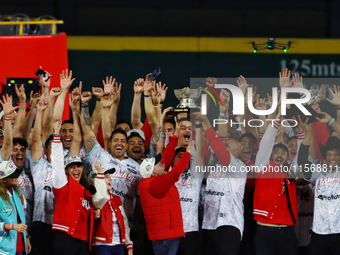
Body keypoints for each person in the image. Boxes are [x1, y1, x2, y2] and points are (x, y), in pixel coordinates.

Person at [51, 121, 96, 255]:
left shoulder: (86, 191)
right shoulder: (62, 183)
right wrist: (56, 136)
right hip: (65, 236)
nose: (76, 169)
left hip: (82, 238)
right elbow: (57, 161)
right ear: (66, 171)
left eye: (78, 166)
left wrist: (95, 213)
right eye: (72, 166)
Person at [138, 144, 190, 255]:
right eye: (158, 164)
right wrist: (187, 154)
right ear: (153, 172)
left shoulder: (154, 180)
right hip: (165, 237)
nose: (162, 164)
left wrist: (173, 139)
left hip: (165, 235)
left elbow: (165, 159)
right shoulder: (156, 184)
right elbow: (176, 173)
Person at [91, 162, 133, 255]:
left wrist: (129, 244)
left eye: (109, 176)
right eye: (106, 177)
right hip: (102, 245)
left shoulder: (116, 199)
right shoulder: (94, 198)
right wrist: (99, 171)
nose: (110, 179)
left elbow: (124, 223)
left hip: (119, 244)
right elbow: (101, 196)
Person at [0, 160, 31, 255]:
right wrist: (12, 227)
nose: (16, 177)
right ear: (3, 179)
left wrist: (26, 237)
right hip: (3, 249)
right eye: (12, 175)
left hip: (20, 246)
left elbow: (22, 219)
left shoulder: (18, 193)